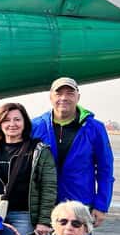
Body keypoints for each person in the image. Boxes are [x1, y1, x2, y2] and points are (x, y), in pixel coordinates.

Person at [31, 77, 114, 227]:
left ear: (78, 97)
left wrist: (101, 205)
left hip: (79, 204)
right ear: (50, 97)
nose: (64, 98)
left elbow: (105, 169)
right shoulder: (35, 126)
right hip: (43, 205)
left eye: (70, 93)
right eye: (59, 93)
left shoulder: (94, 128)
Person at [0, 102, 57, 235]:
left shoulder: (38, 151)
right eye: (6, 120)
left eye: (17, 119)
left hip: (23, 216)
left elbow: (48, 189)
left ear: (25, 123)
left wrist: (44, 221)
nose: (12, 124)